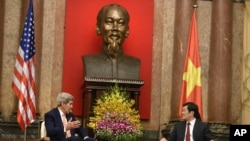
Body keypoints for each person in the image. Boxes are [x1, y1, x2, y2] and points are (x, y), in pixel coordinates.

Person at [82, 4, 141, 80]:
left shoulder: (134, 64)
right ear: (98, 28)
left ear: (127, 30)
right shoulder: (89, 63)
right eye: (109, 22)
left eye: (121, 23)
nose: (115, 28)